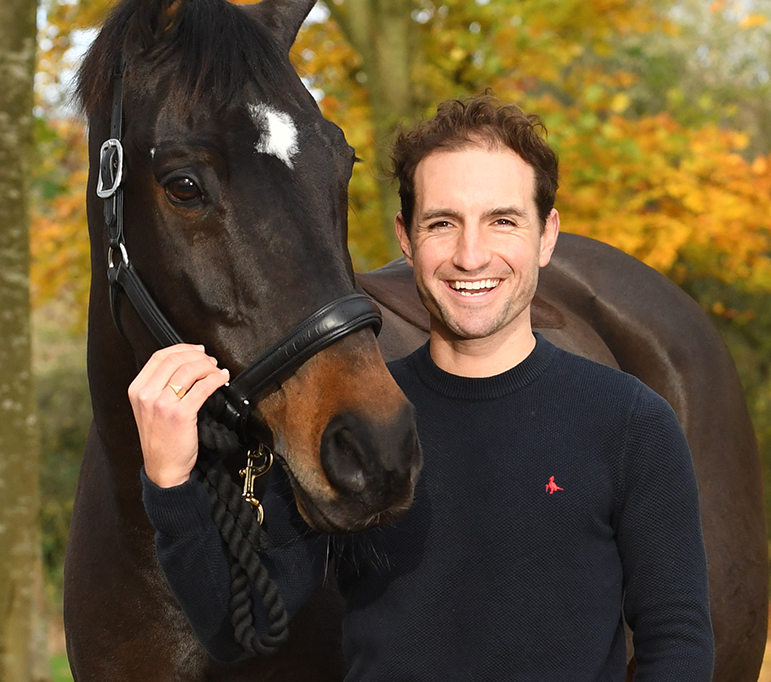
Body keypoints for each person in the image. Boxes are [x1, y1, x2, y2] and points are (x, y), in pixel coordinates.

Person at [129, 95, 714, 681]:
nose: (471, 256)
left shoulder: (631, 423)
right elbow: (238, 627)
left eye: (502, 221)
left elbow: (677, 640)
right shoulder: (359, 429)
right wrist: (170, 481)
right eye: (442, 224)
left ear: (546, 236)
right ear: (406, 239)